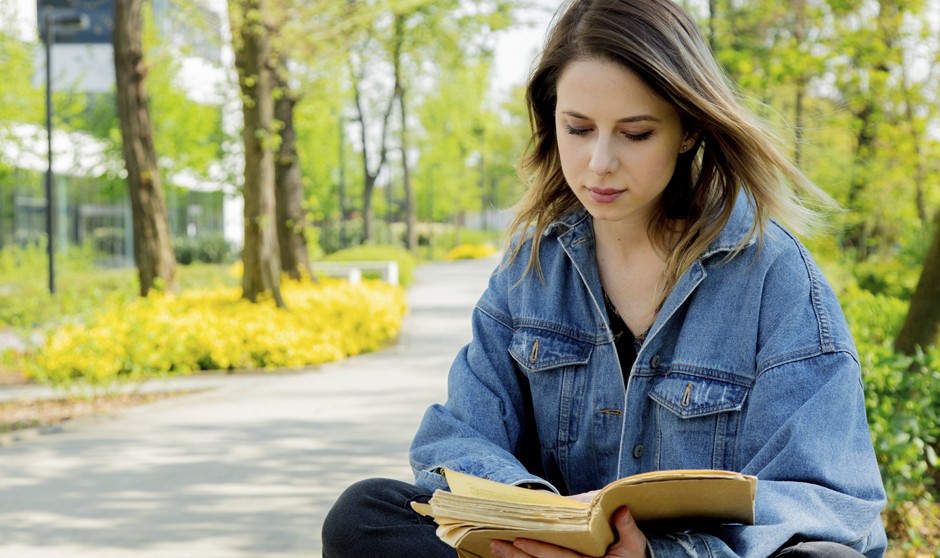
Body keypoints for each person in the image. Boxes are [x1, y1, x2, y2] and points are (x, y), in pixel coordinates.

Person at [321, 0, 888, 556]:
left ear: (687, 129)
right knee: (364, 515)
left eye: (635, 133)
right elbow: (456, 436)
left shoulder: (774, 274)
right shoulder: (533, 264)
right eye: (579, 128)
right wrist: (535, 518)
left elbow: (830, 503)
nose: (599, 162)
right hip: (546, 549)